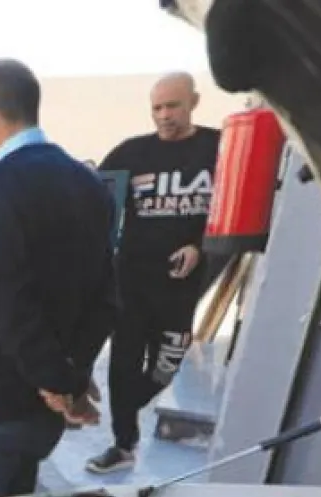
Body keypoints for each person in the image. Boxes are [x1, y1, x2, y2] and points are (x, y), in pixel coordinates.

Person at [0, 59, 117, 497]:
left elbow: (9, 304)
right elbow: (104, 296)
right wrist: (71, 379)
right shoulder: (86, 182)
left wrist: (57, 381)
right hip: (39, 416)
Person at [87, 72, 221, 475]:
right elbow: (95, 192)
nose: (164, 115)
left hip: (181, 286)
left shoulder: (218, 148)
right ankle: (123, 443)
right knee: (123, 364)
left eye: (173, 106)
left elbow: (232, 209)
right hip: (131, 278)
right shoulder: (132, 152)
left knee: (167, 364)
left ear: (193, 102)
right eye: (157, 108)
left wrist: (200, 246)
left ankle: (136, 403)